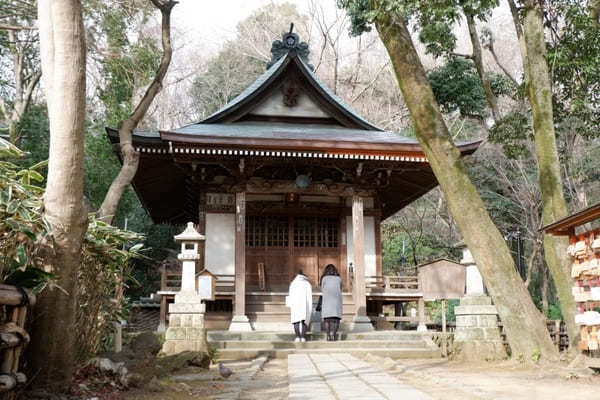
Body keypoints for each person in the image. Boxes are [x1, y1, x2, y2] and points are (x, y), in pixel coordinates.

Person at [287, 270, 312, 342]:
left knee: (296, 320)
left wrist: (290, 304)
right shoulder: (307, 284)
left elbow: (290, 295)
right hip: (305, 304)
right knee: (305, 320)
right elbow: (309, 296)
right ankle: (303, 337)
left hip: (295, 304)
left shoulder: (293, 283)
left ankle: (297, 336)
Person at [320, 264, 342, 341]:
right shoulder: (338, 279)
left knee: (327, 320)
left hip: (327, 301)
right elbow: (340, 288)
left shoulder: (324, 278)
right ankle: (334, 335)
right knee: (336, 319)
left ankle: (328, 336)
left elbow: (322, 288)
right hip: (336, 301)